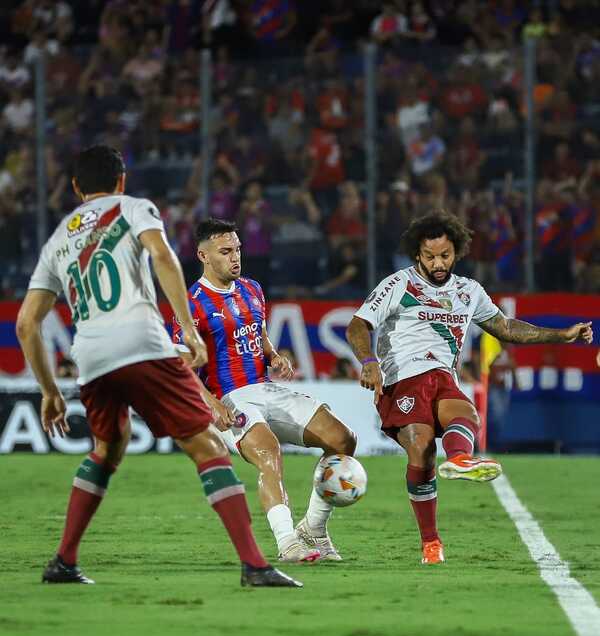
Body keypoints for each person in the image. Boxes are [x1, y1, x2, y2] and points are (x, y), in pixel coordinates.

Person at [16, 145, 300, 588]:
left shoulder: (58, 239)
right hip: (142, 344)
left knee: (108, 449)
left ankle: (64, 562)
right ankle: (255, 566)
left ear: (75, 188)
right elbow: (164, 257)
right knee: (209, 444)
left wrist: (50, 391)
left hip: (90, 355)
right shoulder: (132, 208)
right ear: (122, 181)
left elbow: (26, 324)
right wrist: (186, 327)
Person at [346, 209, 593, 565]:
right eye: (429, 256)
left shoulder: (468, 290)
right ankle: (431, 542)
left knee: (464, 411)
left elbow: (506, 328)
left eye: (444, 255)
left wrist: (561, 335)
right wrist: (369, 362)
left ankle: (460, 458)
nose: (437, 262)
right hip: (402, 379)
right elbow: (357, 326)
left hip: (443, 376)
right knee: (422, 450)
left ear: (456, 252)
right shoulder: (398, 284)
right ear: (418, 254)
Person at [172, 218, 357, 563]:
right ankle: (288, 543)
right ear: (203, 255)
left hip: (265, 388)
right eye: (225, 251)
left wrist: (274, 355)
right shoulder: (191, 305)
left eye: (238, 249)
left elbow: (258, 334)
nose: (235, 257)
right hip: (229, 397)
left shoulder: (252, 289)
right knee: (269, 452)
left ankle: (313, 527)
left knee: (343, 440)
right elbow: (181, 366)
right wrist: (210, 403)